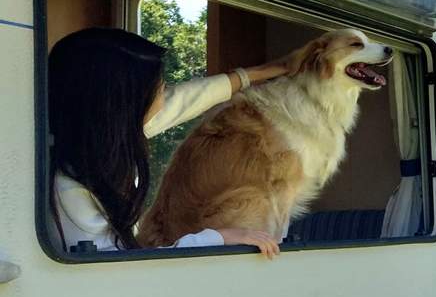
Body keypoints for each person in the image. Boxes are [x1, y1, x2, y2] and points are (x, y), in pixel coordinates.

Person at [48, 27, 287, 258]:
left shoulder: (93, 137)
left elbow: (183, 101)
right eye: (160, 89)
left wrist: (254, 75)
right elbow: (115, 268)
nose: (164, 97)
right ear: (124, 105)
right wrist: (216, 238)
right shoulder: (68, 187)